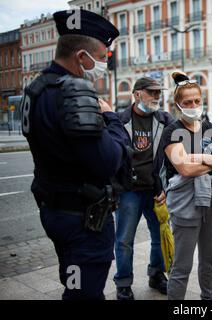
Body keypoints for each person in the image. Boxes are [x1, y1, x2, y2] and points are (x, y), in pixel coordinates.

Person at [20, 9, 128, 299]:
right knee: (84, 294)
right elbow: (108, 161)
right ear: (82, 57)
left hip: (54, 210)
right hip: (83, 221)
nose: (106, 63)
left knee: (74, 284)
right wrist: (113, 120)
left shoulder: (37, 88)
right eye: (103, 57)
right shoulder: (75, 91)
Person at [160, 72, 212, 300]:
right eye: (188, 102)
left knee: (210, 258)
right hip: (185, 204)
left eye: (197, 101)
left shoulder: (209, 127)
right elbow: (185, 170)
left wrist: (198, 158)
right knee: (182, 266)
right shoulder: (171, 132)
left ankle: (209, 297)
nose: (194, 106)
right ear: (178, 105)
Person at [113, 77, 174, 300]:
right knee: (124, 239)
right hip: (128, 190)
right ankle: (123, 283)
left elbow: (173, 157)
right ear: (137, 94)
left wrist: (166, 187)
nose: (157, 97)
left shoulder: (165, 120)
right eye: (152, 92)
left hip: (155, 190)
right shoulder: (119, 120)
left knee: (159, 235)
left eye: (159, 93)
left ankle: (156, 275)